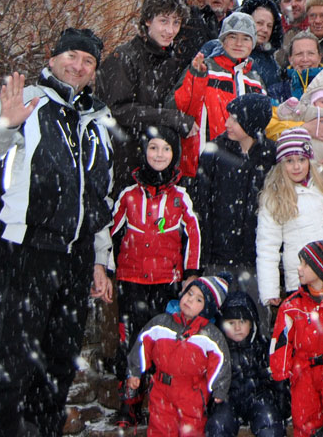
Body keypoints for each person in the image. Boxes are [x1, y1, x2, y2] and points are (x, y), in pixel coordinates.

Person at [0, 28, 114, 436]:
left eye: (88, 61)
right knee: (13, 365)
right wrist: (5, 125)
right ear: (53, 57)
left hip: (75, 256)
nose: (78, 66)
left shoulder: (97, 119)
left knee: (58, 366)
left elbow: (98, 196)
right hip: (26, 248)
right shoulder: (26, 99)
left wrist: (100, 258)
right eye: (72, 56)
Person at [109, 125, 201, 427]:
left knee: (164, 341)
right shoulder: (128, 194)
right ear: (144, 152)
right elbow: (110, 233)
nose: (158, 154)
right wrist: (106, 269)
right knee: (131, 339)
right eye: (153, 148)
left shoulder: (180, 196)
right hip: (132, 279)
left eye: (165, 149)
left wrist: (190, 274)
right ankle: (130, 400)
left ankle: (163, 399)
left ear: (173, 154)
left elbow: (194, 235)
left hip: (167, 281)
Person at [97, 0, 195, 194]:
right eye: (164, 21)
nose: (170, 30)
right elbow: (118, 110)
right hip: (123, 163)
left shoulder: (170, 61)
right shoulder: (124, 57)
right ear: (148, 20)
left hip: (156, 167)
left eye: (176, 22)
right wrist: (170, 118)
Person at [194, 93, 275, 313]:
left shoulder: (271, 154)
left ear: (251, 123)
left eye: (235, 119)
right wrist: (203, 255)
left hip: (256, 254)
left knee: (256, 315)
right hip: (219, 254)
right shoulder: (214, 152)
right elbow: (202, 204)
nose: (227, 123)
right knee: (216, 313)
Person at [127, 275, 231, 437]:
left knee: (191, 430)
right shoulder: (161, 323)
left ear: (207, 309)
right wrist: (135, 371)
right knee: (160, 429)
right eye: (190, 293)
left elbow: (220, 361)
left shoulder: (210, 335)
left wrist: (219, 388)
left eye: (198, 300)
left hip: (193, 392)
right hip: (162, 389)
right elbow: (142, 344)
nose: (190, 300)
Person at [257, 128, 323, 307]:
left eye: (301, 159)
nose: (297, 166)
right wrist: (270, 290)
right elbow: (267, 246)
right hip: (301, 280)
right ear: (281, 164)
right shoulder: (274, 197)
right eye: (289, 161)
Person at [270, 239, 323, 437]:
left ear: (322, 270)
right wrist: (280, 374)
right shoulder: (291, 306)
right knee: (305, 424)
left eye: (305, 264)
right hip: (302, 373)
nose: (299, 268)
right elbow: (281, 342)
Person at [170, 11, 266, 165]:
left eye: (246, 38)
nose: (239, 43)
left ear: (253, 43)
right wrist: (196, 76)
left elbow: (262, 125)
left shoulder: (255, 80)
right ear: (223, 41)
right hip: (200, 161)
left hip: (240, 168)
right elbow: (182, 107)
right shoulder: (203, 67)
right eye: (233, 37)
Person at [206, 290, 286, 437]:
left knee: (270, 422)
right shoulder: (218, 350)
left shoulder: (262, 346)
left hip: (257, 397)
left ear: (252, 323)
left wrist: (280, 402)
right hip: (227, 399)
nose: (237, 328)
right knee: (218, 425)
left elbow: (275, 376)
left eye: (242, 322)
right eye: (231, 323)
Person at [200, 0, 283, 88]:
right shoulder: (214, 47)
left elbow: (276, 97)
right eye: (259, 23)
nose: (265, 30)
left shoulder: (271, 65)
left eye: (269, 26)